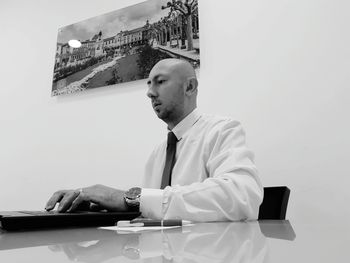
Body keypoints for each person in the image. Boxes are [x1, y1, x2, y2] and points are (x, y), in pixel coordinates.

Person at [45, 58, 263, 221]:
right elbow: (152, 214)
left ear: (190, 87)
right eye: (149, 84)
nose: (150, 92)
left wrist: (132, 199)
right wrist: (106, 205)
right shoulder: (158, 154)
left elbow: (242, 196)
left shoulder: (222, 130)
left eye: (160, 82)